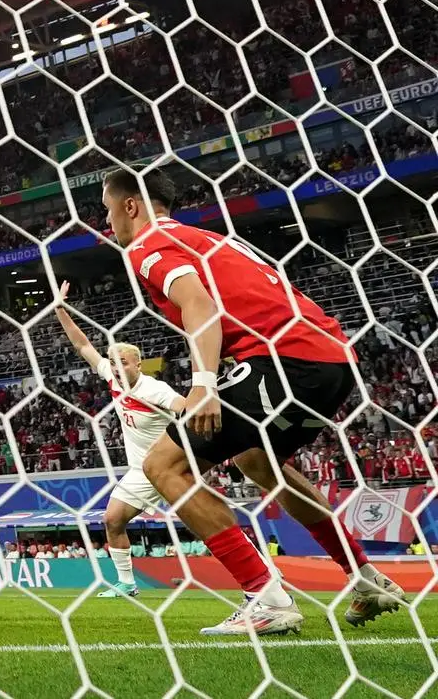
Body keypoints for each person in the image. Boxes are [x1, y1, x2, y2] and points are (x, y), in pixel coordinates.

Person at [101, 167, 405, 635]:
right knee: (257, 462)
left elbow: (198, 304)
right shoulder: (205, 238)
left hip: (283, 360)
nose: (108, 224)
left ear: (130, 206)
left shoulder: (148, 244)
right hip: (331, 361)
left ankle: (264, 596)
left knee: (162, 465)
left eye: (107, 210)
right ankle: (366, 578)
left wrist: (203, 385)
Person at [55, 282, 186, 598]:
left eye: (123, 363)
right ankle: (127, 583)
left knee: (205, 523)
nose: (116, 367)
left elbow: (186, 408)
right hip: (141, 471)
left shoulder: (154, 390)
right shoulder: (112, 378)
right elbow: (83, 345)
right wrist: (60, 309)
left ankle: (260, 572)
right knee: (112, 520)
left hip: (168, 466)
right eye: (113, 363)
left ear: (138, 365)